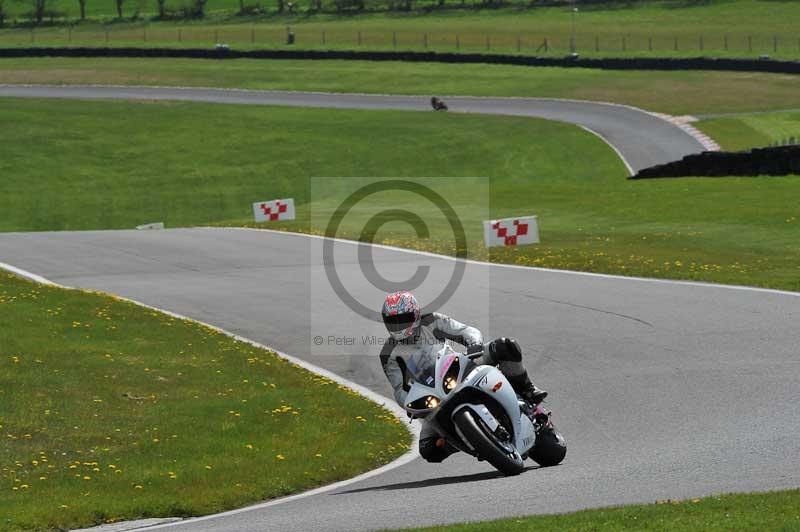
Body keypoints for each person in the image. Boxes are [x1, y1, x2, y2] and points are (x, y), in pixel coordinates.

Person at [379, 290, 548, 463]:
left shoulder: (432, 321)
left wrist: (474, 343)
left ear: (416, 314)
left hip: (459, 368)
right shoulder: (388, 353)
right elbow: (399, 388)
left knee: (505, 346)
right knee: (428, 449)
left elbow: (465, 330)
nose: (399, 326)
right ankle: (462, 439)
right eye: (393, 322)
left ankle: (527, 389)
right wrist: (410, 403)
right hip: (432, 395)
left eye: (404, 319)